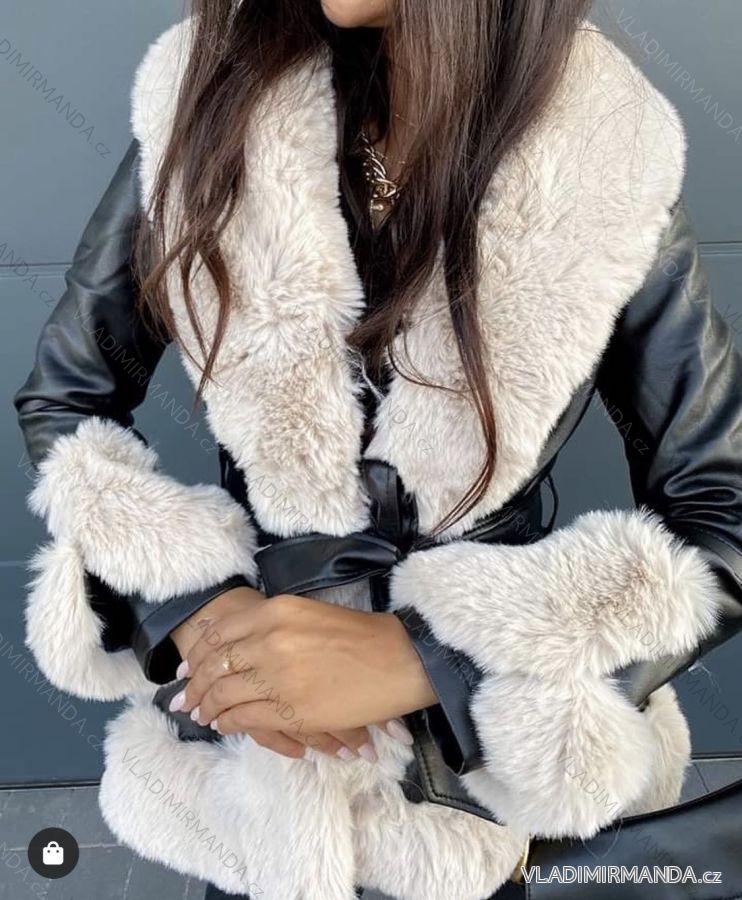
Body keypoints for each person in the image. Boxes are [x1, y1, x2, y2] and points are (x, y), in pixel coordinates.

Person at [14, 1, 742, 898]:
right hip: (252, 770)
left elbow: (722, 511)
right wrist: (192, 613)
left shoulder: (605, 151)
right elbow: (67, 399)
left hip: (475, 793)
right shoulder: (211, 96)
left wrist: (432, 658)